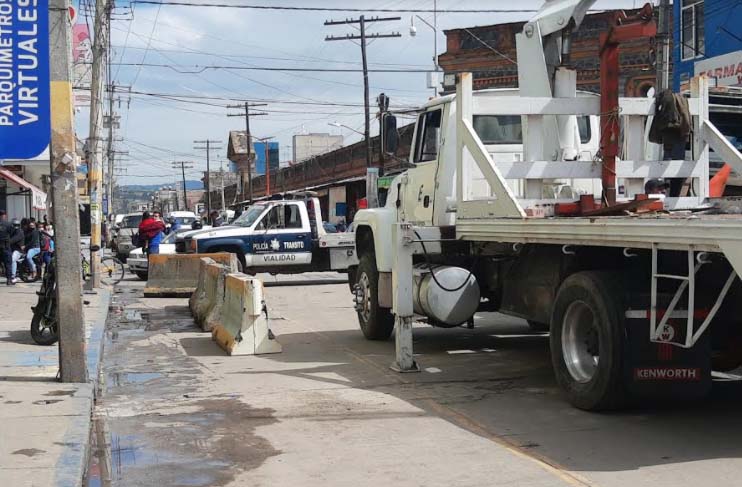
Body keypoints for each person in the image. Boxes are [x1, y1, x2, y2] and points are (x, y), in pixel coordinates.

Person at [0, 211, 14, 285]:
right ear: (5, 215)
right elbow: (11, 233)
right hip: (6, 246)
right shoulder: (8, 224)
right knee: (8, 263)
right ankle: (9, 280)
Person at [9, 219, 24, 283]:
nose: (16, 226)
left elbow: (13, 240)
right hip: (12, 249)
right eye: (14, 225)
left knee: (12, 260)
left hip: (18, 251)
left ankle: (13, 276)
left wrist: (6, 242)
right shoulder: (12, 232)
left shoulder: (19, 232)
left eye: (17, 225)